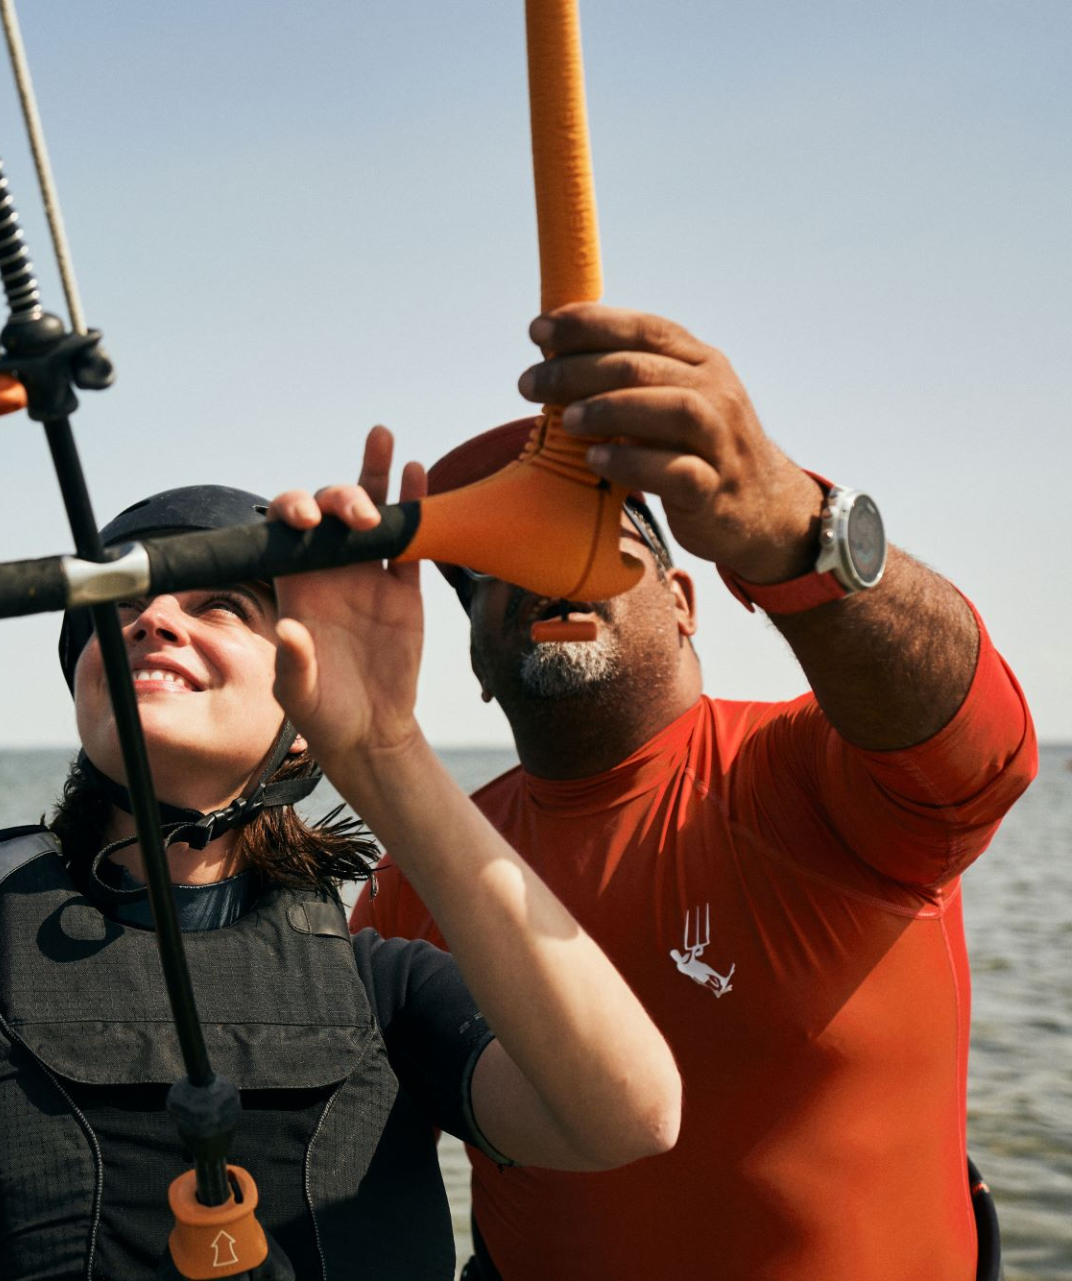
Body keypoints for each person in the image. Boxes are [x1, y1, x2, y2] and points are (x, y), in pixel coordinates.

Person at [0, 435, 682, 1281]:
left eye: (218, 604)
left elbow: (628, 1115)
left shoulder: (387, 986)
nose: (153, 620)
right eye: (120, 608)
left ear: (300, 711)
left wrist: (385, 751)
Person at [353, 303, 1040, 1280]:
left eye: (595, 529)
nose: (544, 565)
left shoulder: (810, 772)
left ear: (684, 604)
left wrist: (795, 525)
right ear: (474, 660)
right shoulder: (419, 875)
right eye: (496, 562)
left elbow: (981, 751)